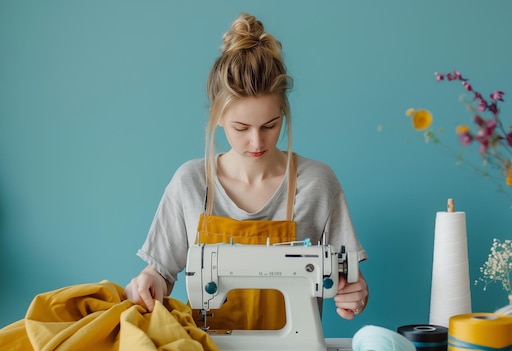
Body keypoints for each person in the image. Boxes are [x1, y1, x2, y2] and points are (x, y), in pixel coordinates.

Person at [124, 12, 368, 331]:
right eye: (241, 127)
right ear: (218, 117)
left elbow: (348, 277)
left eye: (270, 125)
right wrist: (148, 279)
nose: (256, 141)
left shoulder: (317, 184)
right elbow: (161, 274)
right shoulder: (190, 183)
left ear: (284, 113)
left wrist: (354, 293)